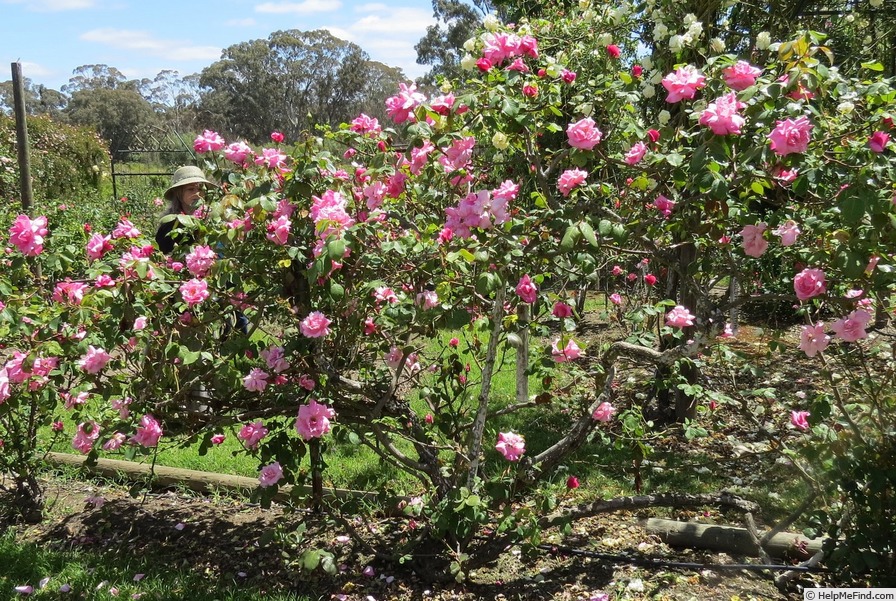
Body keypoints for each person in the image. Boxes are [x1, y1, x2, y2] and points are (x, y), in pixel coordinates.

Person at [155, 165, 216, 254]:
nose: (197, 193)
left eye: (200, 189)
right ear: (179, 193)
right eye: (191, 189)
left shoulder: (213, 221)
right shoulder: (169, 226)